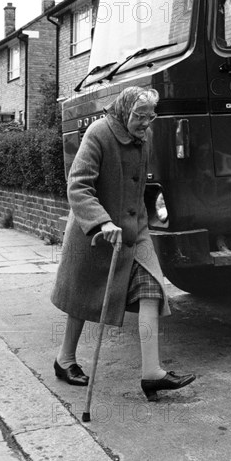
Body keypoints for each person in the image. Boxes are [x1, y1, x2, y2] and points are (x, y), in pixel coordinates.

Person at [51, 86, 195, 401]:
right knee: (83, 297)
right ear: (123, 111)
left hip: (134, 229)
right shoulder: (99, 134)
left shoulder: (144, 138)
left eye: (150, 116)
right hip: (95, 232)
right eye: (139, 116)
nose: (146, 123)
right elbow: (78, 185)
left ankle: (151, 373)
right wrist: (102, 222)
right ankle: (64, 359)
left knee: (152, 290)